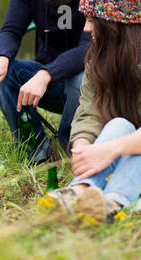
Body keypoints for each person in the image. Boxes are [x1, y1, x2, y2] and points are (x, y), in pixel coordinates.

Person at [48, 0, 140, 224]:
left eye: (91, 21)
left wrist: (109, 149)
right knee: (119, 125)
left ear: (114, 24)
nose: (86, 28)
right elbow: (90, 112)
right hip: (128, 145)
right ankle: (77, 192)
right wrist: (83, 149)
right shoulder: (100, 58)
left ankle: (113, 204)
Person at [0, 0, 92, 163]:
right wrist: (1, 57)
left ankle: (69, 147)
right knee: (5, 74)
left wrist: (47, 73)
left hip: (86, 89)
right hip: (47, 84)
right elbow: (11, 31)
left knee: (82, 78)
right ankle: (35, 149)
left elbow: (89, 48)